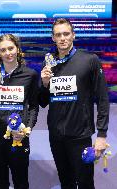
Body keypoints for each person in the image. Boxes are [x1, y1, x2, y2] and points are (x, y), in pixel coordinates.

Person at [39, 18, 109, 189]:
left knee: (85, 182)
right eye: (58, 35)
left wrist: (101, 134)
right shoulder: (49, 64)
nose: (62, 38)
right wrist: (45, 83)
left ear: (73, 35)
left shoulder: (89, 60)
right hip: (56, 135)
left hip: (80, 135)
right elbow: (42, 102)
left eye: (66, 34)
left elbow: (102, 98)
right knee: (66, 181)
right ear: (53, 38)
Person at [0, 34, 39, 189]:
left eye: (11, 48)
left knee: (21, 182)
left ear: (18, 49)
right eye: (3, 50)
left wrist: (27, 129)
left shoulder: (30, 75)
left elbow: (34, 106)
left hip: (18, 136)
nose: (8, 53)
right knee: (0, 183)